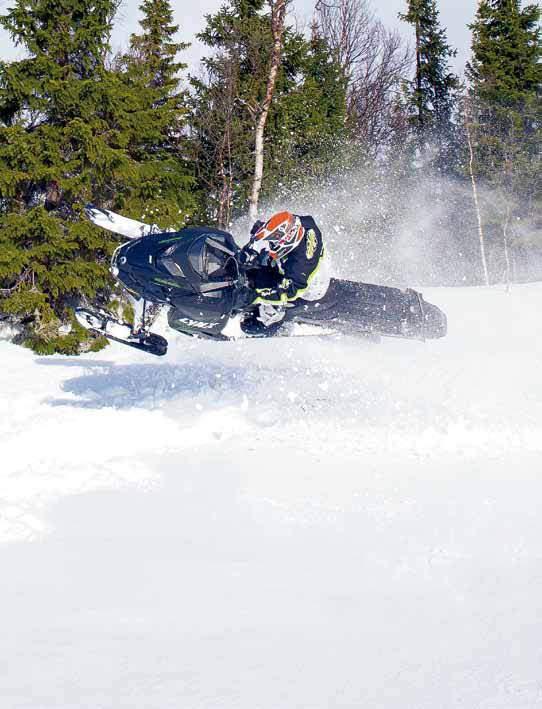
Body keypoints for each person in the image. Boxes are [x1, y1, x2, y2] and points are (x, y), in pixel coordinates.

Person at [240, 211, 330, 327]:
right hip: (296, 266)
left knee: (254, 323)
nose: (272, 244)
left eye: (274, 241)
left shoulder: (301, 263)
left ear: (288, 239)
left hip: (309, 288)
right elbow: (285, 222)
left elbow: (291, 291)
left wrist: (256, 296)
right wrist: (261, 230)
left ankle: (279, 324)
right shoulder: (301, 223)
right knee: (261, 261)